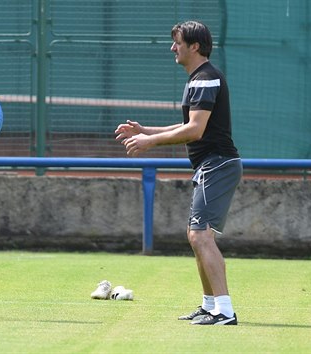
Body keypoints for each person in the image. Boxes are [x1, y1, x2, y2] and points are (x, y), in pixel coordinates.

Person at [114, 21, 242, 325]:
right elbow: (187, 125)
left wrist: (150, 141)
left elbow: (195, 130)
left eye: (178, 42)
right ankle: (210, 305)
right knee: (197, 235)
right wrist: (146, 130)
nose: (173, 47)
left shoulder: (206, 78)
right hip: (211, 166)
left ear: (194, 46)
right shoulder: (199, 79)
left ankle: (224, 311)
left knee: (200, 235)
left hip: (217, 164)